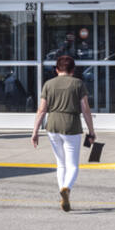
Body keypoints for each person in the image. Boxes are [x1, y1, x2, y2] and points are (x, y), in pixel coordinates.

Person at [30, 55, 96, 211]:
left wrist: (35, 131)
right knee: (72, 165)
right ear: (73, 70)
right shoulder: (78, 84)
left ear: (56, 69)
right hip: (71, 124)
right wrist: (91, 131)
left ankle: (63, 193)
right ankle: (66, 189)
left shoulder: (48, 84)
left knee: (61, 164)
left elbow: (41, 110)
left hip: (52, 125)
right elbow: (85, 109)